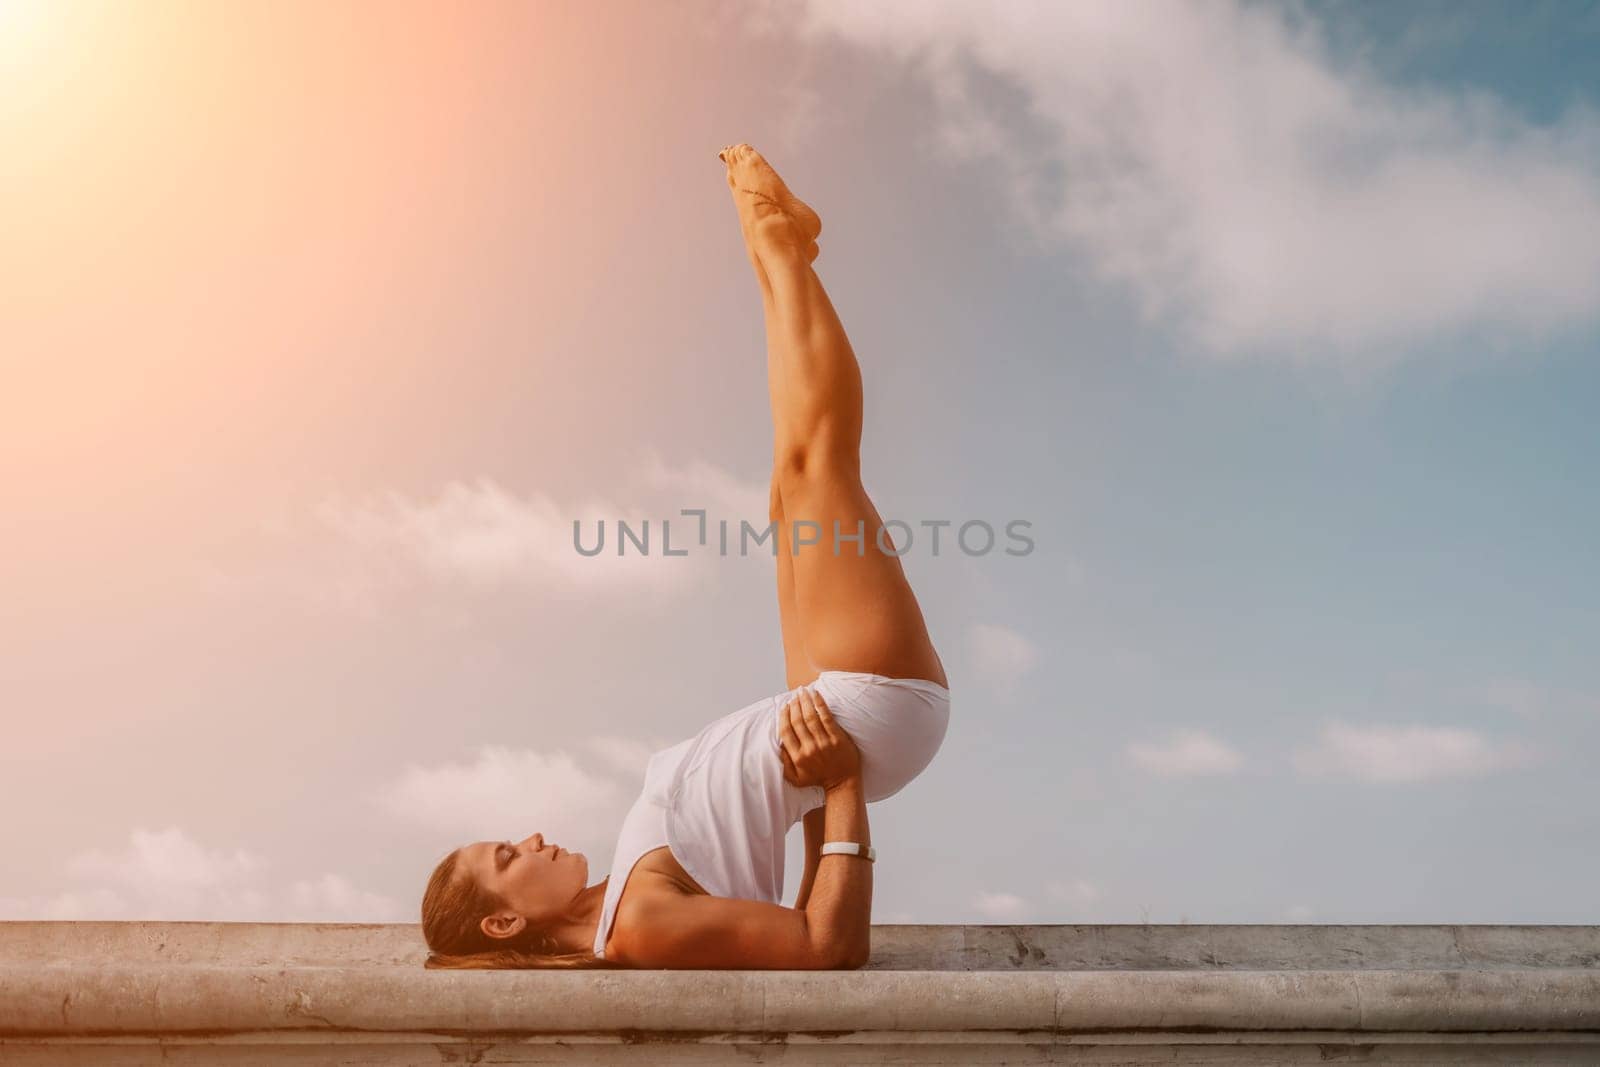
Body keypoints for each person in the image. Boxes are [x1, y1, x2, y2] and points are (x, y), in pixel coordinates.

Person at [420, 144, 951, 970]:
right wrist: (842, 783)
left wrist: (817, 788)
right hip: (869, 706)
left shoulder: (618, 898)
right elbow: (826, 947)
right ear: (500, 922)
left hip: (820, 708)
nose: (527, 837)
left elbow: (796, 895)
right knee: (820, 462)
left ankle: (786, 249)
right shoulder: (637, 928)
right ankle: (775, 243)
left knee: (786, 487)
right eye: (505, 857)